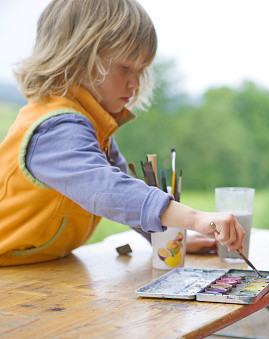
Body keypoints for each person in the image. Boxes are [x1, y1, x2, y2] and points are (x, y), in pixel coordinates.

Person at [0, 0, 243, 266]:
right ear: (78, 57)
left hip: (39, 265)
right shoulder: (55, 128)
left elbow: (129, 200)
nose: (135, 82)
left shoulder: (94, 124)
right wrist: (195, 219)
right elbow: (108, 191)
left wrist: (164, 238)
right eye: (125, 67)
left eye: (141, 69)